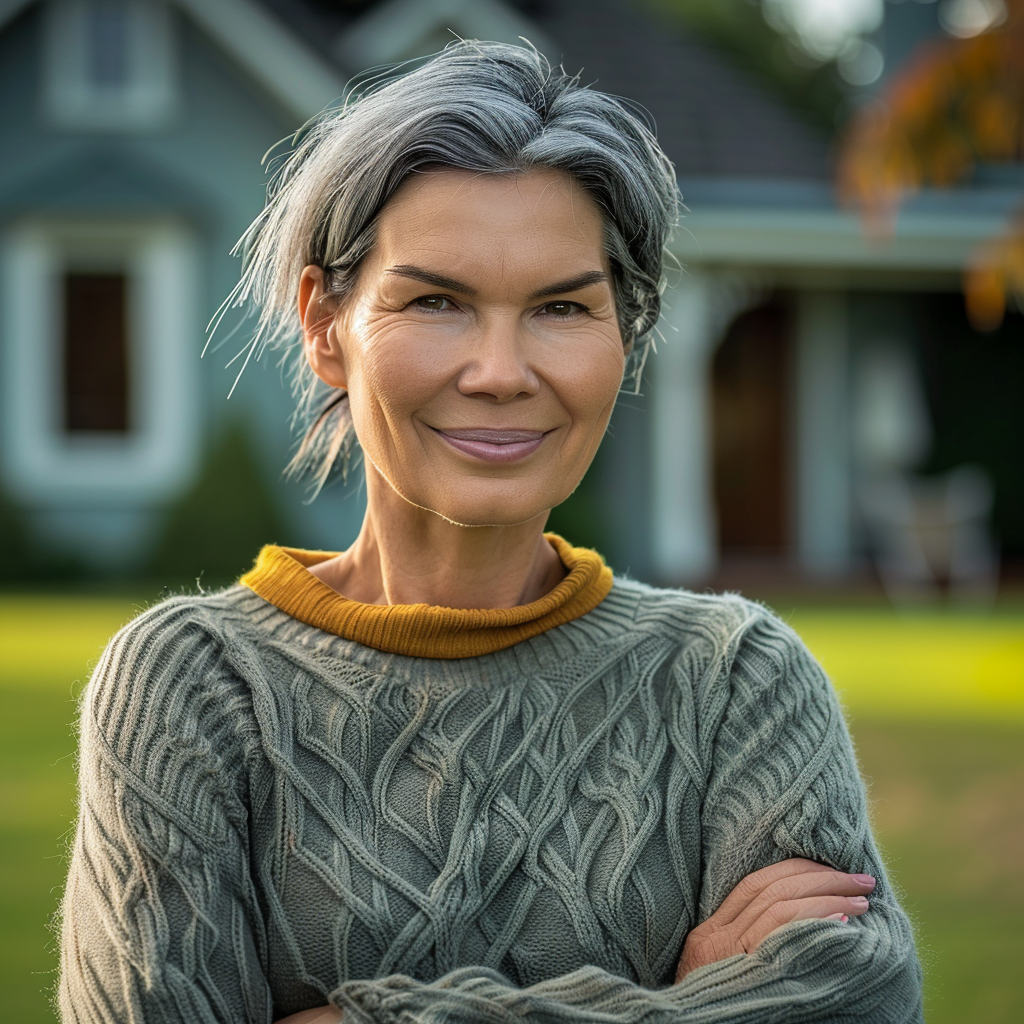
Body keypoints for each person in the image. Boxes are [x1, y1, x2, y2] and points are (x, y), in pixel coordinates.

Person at [58, 42, 923, 1024]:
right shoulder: (190, 690)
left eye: (560, 306)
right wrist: (673, 1001)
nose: (501, 370)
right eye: (436, 301)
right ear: (323, 321)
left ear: (624, 336)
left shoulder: (736, 681)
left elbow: (855, 1001)